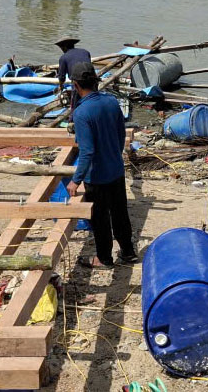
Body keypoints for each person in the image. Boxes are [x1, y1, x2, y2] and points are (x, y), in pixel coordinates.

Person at [66, 62, 138, 268]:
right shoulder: (112, 102)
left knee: (100, 219)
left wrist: (75, 180)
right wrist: (114, 155)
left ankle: (104, 258)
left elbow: (87, 152)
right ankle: (128, 251)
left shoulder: (82, 113)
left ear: (76, 85)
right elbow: (120, 134)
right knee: (119, 212)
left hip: (96, 176)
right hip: (115, 169)